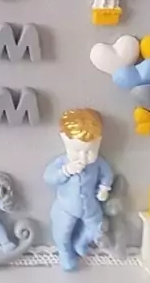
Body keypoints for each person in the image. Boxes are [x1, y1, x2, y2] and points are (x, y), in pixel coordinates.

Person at [44, 108, 114, 271]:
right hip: (65, 207)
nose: (83, 157)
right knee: (62, 232)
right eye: (77, 151)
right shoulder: (62, 162)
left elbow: (107, 174)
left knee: (98, 229)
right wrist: (66, 171)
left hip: (90, 206)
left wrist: (104, 188)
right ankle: (65, 252)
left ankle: (81, 242)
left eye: (89, 151)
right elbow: (49, 177)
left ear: (99, 142)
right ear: (64, 139)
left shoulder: (98, 163)